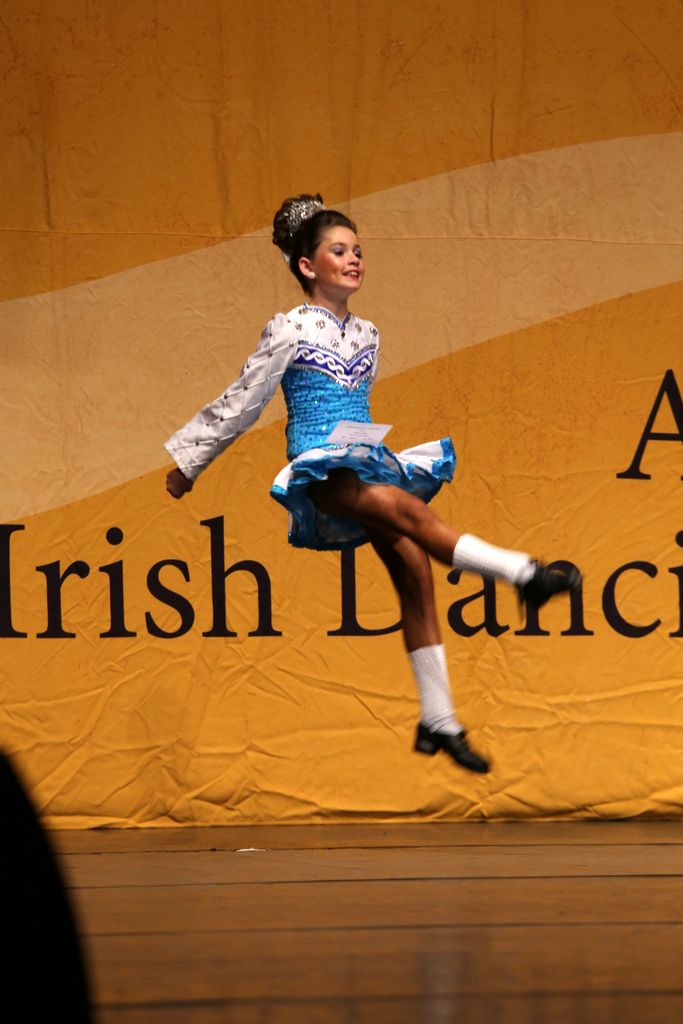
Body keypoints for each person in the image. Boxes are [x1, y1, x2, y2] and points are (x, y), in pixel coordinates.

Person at [165, 193, 580, 774]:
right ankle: (525, 575)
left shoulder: (368, 333)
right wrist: (189, 462)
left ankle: (438, 721)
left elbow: (356, 404)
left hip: (365, 459)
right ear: (307, 265)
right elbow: (244, 399)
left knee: (415, 572)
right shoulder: (289, 328)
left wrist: (368, 448)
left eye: (357, 250)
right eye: (339, 251)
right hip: (322, 469)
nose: (353, 259)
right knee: (413, 517)